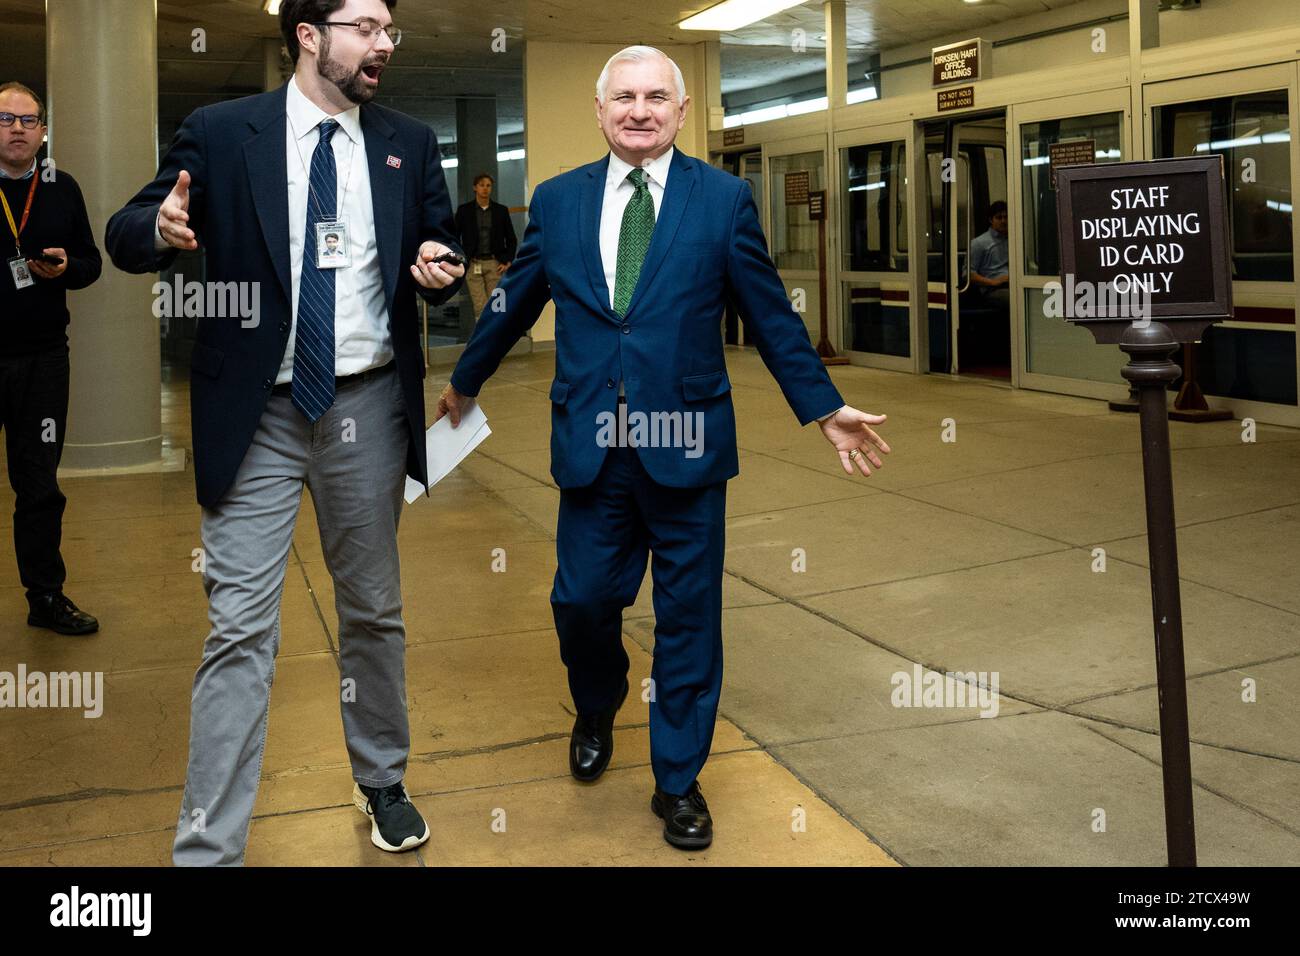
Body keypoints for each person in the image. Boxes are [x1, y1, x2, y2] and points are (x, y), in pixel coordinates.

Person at [436, 46, 890, 850]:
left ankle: (678, 780)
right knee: (580, 601)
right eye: (623, 98)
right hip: (592, 442)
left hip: (686, 443)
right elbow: (512, 300)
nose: (638, 111)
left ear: (682, 112)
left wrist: (822, 407)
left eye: (655, 98)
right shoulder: (558, 200)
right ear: (600, 109)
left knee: (688, 619)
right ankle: (599, 699)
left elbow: (769, 313)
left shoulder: (722, 201)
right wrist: (466, 380)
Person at [104, 0, 465, 865]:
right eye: (366, 26)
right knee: (238, 627)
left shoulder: (407, 142)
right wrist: (159, 228)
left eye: (390, 31)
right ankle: (208, 845)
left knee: (373, 610)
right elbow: (124, 234)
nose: (384, 45)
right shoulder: (223, 132)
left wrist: (436, 269)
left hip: (368, 407)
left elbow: (440, 253)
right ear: (309, 35)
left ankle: (381, 777)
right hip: (255, 414)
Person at [0, 80, 102, 636]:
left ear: (42, 132)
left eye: (28, 120)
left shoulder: (61, 187)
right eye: (5, 119)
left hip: (43, 361)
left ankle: (45, 597)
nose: (17, 128)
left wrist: (67, 269)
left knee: (39, 485)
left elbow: (91, 263)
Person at [454, 173, 516, 319]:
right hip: (473, 262)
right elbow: (455, 238)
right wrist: (461, 260)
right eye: (482, 185)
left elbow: (511, 238)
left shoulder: (501, 211)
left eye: (488, 185)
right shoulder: (464, 211)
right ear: (475, 188)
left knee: (496, 305)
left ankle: (497, 338)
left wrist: (508, 261)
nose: (485, 189)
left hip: (495, 263)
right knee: (480, 306)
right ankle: (484, 340)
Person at [968, 199, 1009, 310]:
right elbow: (968, 274)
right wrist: (994, 282)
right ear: (991, 220)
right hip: (993, 290)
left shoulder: (1012, 241)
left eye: (1006, 217)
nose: (1003, 221)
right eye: (999, 217)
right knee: (1017, 298)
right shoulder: (979, 243)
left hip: (1011, 284)